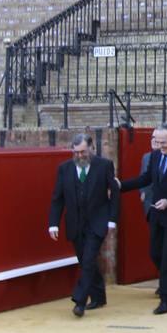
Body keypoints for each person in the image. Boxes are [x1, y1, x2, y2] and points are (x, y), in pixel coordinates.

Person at [119, 123, 167, 314]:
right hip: (157, 214)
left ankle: (166, 300)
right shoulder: (156, 155)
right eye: (157, 141)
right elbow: (146, 179)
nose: (160, 145)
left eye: (164, 142)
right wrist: (121, 186)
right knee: (155, 254)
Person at [47, 133, 119, 318]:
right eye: (76, 152)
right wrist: (53, 224)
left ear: (91, 149)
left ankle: (79, 301)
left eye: (83, 152)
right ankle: (99, 296)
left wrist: (112, 219)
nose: (80, 156)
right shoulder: (64, 169)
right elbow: (57, 198)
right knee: (86, 260)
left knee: (87, 260)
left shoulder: (104, 166)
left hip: (97, 222)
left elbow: (115, 194)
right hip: (75, 224)